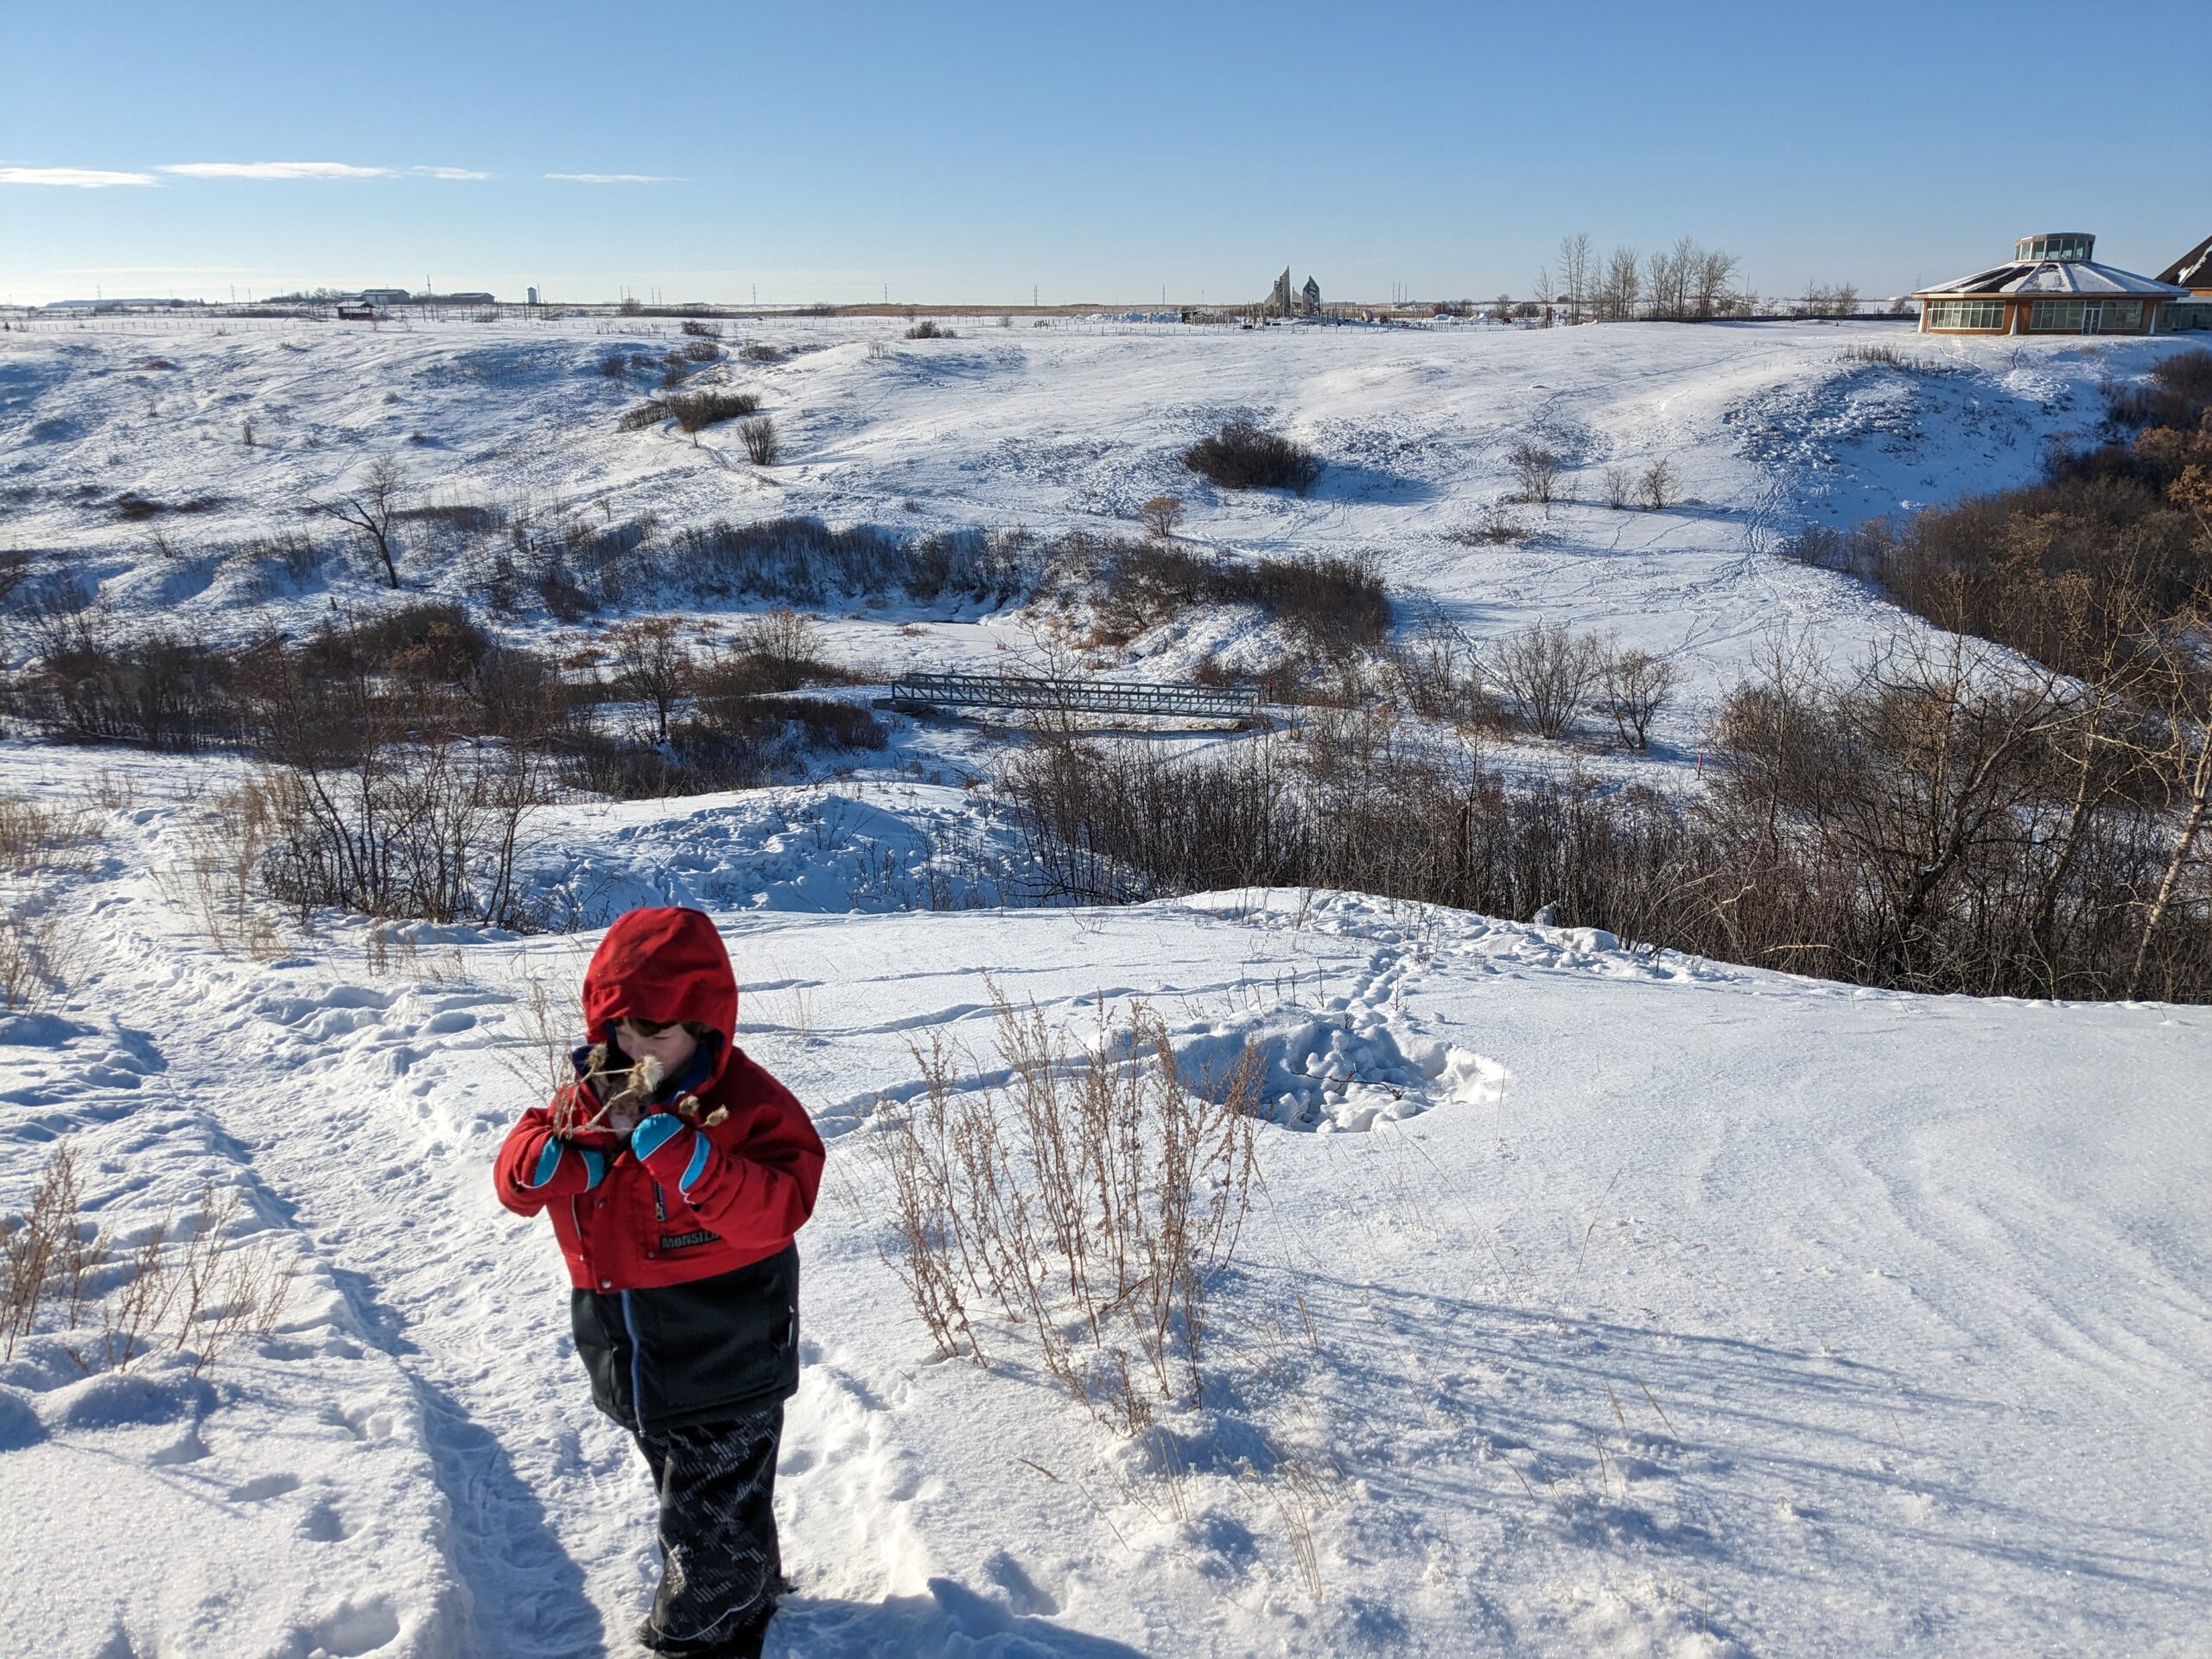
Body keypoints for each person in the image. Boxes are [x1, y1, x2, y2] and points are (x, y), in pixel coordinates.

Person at [495, 906, 824, 1659]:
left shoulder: (742, 1102)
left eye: (659, 1032)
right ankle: (752, 1578)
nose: (637, 1048)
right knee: (701, 1493)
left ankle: (703, 1634)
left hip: (726, 1344)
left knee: (704, 1520)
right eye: (624, 1028)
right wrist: (546, 1162)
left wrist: (696, 1164)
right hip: (629, 1348)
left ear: (704, 1029)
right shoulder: (591, 1099)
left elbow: (785, 1203)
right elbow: (518, 1171)